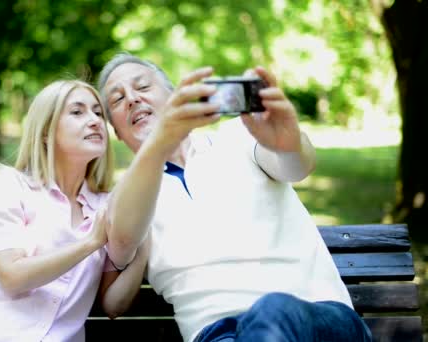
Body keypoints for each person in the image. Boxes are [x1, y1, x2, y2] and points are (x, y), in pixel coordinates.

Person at [97, 53, 372, 342]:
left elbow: (296, 166)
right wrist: (158, 145)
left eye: (142, 87)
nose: (131, 99)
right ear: (115, 129)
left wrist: (289, 143)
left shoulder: (239, 137)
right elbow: (124, 244)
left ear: (174, 95)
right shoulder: (127, 198)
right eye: (117, 100)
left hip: (317, 319)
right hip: (218, 334)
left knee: (273, 310)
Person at [0, 80, 148, 342]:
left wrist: (145, 242)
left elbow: (114, 306)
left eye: (98, 113)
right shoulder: (11, 186)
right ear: (46, 131)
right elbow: (12, 276)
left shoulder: (109, 206)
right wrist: (90, 243)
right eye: (77, 112)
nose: (95, 121)